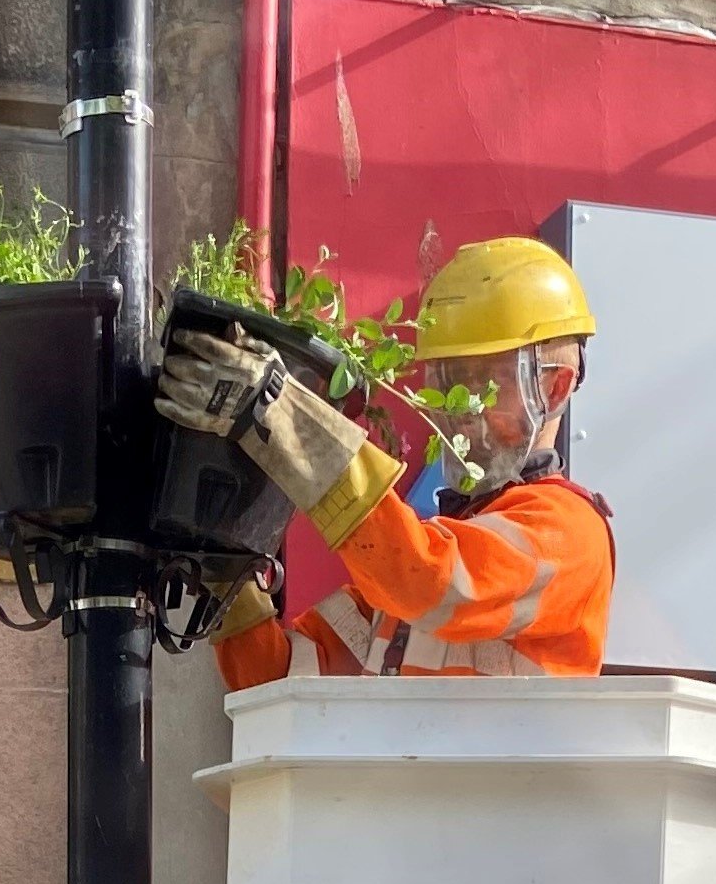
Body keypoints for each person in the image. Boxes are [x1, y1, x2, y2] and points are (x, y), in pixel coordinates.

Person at [153, 236, 614, 684]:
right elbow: (278, 683)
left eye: (482, 382)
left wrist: (282, 417)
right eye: (449, 380)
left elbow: (430, 579)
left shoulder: (569, 533)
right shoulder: (403, 586)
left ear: (554, 386)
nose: (460, 411)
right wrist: (223, 564)